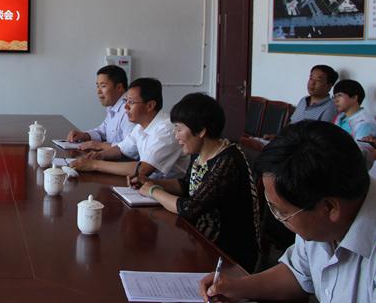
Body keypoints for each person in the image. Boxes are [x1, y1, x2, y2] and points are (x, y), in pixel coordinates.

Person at [199, 120, 375, 302]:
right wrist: (237, 287)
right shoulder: (320, 211)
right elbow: (298, 274)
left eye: (283, 213)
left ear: (330, 208)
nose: (278, 219)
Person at [132, 93, 260, 271]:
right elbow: (187, 185)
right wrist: (150, 182)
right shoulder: (200, 153)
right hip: (202, 239)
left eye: (178, 129)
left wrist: (154, 191)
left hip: (228, 255)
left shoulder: (228, 160)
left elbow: (190, 208)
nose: (176, 136)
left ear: (200, 131)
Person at [71, 78, 189, 181]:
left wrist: (94, 165)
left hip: (167, 190)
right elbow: (121, 149)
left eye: (131, 102)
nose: (126, 107)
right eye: (125, 101)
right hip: (146, 185)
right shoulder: (140, 126)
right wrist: (99, 155)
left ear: (150, 105)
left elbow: (143, 169)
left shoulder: (166, 129)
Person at [66, 65, 135, 151]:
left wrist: (100, 145)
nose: (98, 91)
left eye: (103, 86)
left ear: (119, 87)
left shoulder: (128, 109)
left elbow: (130, 147)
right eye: (97, 86)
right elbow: (103, 131)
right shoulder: (113, 107)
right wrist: (85, 135)